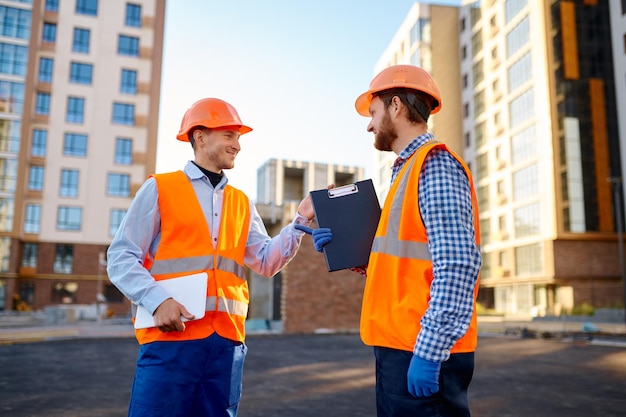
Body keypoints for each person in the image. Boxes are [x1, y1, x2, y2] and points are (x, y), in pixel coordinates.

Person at [106, 97, 316, 417]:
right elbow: (121, 257)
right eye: (229, 135)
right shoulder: (161, 188)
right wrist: (157, 300)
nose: (238, 145)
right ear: (200, 136)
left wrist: (299, 223)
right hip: (171, 341)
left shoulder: (241, 202)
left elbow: (266, 261)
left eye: (238, 137)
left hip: (226, 347)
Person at [309, 65, 482, 416]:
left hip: (421, 349)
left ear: (397, 106)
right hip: (402, 347)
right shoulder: (406, 171)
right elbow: (403, 262)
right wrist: (350, 251)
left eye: (373, 113)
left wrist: (430, 352)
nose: (369, 125)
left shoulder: (433, 165)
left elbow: (459, 265)